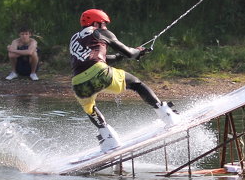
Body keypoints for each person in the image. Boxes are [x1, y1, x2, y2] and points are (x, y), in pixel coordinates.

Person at [69, 9, 179, 151]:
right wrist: (139, 51)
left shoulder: (74, 38)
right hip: (99, 73)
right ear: (95, 23)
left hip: (78, 83)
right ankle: (167, 115)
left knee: (90, 108)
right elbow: (129, 53)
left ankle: (108, 138)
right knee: (136, 84)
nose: (106, 27)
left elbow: (92, 58)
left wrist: (119, 57)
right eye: (104, 24)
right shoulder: (100, 32)